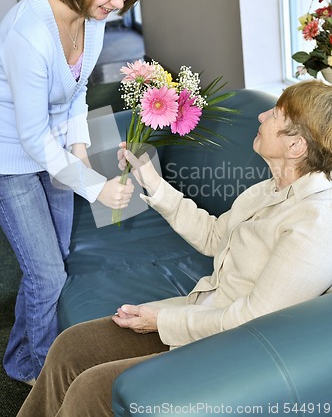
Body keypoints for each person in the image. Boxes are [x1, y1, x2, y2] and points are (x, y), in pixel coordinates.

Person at [17, 79, 332, 416]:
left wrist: (161, 320)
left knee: (93, 389)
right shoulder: (270, 188)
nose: (261, 116)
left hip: (233, 350)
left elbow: (253, 322)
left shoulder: (316, 222)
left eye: (275, 115)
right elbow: (214, 237)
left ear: (296, 146)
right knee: (72, 345)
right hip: (202, 317)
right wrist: (152, 181)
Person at [0, 0, 152, 385]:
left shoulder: (94, 22)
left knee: (53, 261)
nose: (118, 2)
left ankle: (19, 355)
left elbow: (77, 94)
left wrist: (82, 152)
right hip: (14, 159)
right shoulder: (29, 33)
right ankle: (40, 371)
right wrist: (92, 186)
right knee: (46, 274)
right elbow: (30, 136)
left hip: (58, 152)